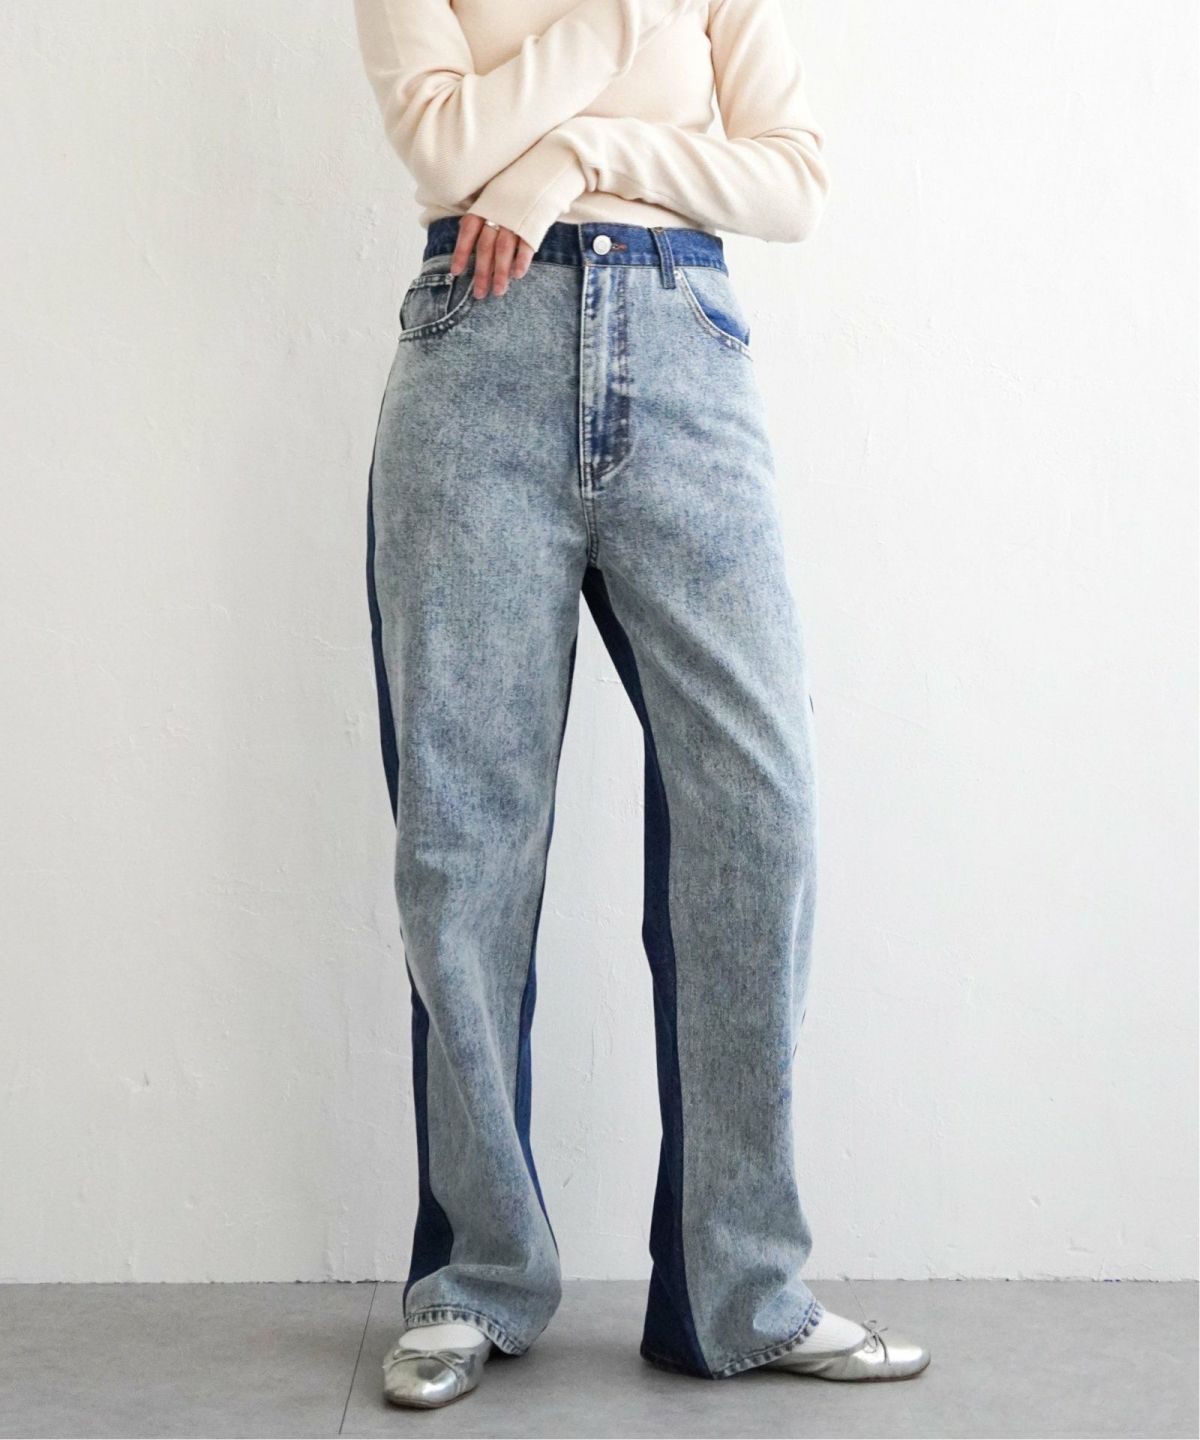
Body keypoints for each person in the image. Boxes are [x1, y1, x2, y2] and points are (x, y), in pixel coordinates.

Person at [353, 0, 931, 1409]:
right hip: (476, 360)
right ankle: (474, 1277)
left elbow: (792, 179)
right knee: (462, 848)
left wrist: (576, 155)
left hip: (685, 348)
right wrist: (621, 23)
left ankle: (739, 1291)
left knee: (760, 813)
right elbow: (444, 150)